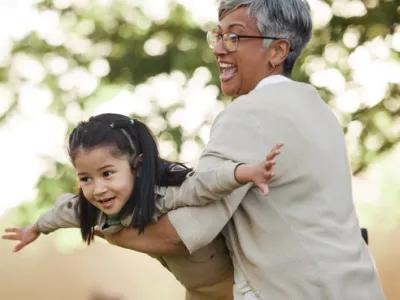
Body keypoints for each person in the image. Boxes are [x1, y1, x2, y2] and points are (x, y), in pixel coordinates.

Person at [100, 1, 386, 299]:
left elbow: (184, 233)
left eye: (235, 37)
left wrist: (102, 222)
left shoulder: (249, 114)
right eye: (219, 35)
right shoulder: (320, 111)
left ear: (277, 51)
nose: (219, 48)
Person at [2, 113, 282, 300]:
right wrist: (35, 229)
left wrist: (246, 173)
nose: (98, 188)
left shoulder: (164, 195)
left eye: (107, 173)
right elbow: (61, 212)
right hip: (197, 292)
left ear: (137, 167)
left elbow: (202, 185)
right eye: (85, 178)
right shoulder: (93, 208)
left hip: (239, 287)